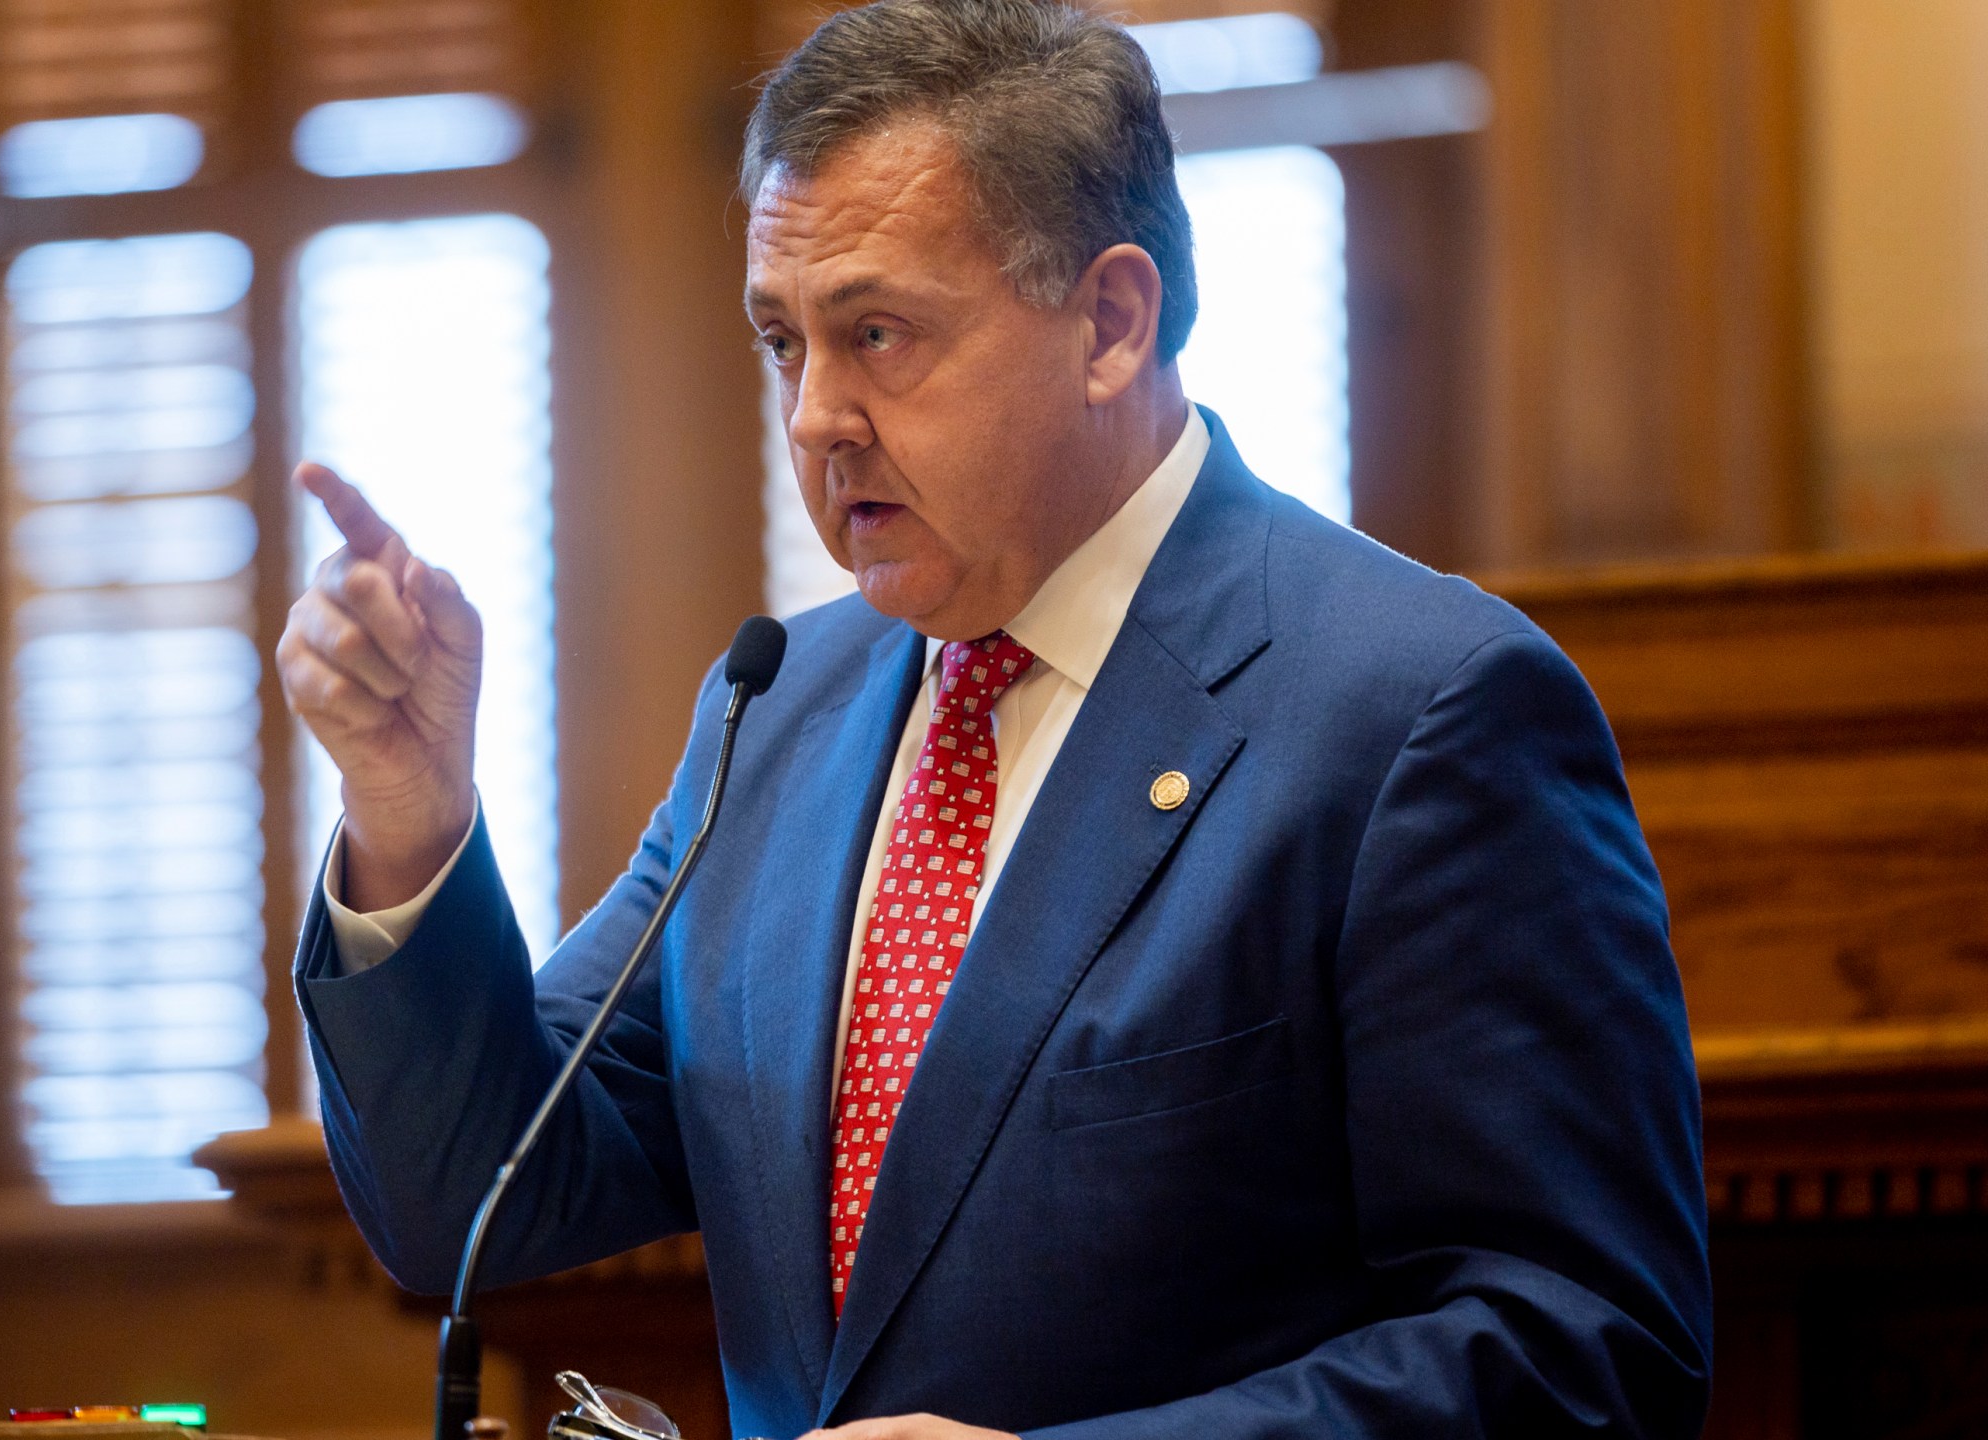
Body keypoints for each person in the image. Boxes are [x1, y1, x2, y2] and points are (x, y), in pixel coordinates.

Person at [274, 2, 1712, 1436]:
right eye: (785, 343)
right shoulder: (776, 709)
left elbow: (1588, 1350)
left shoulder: (1419, 710)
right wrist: (409, 816)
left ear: (1110, 321)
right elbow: (480, 1193)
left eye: (879, 333)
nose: (815, 418)